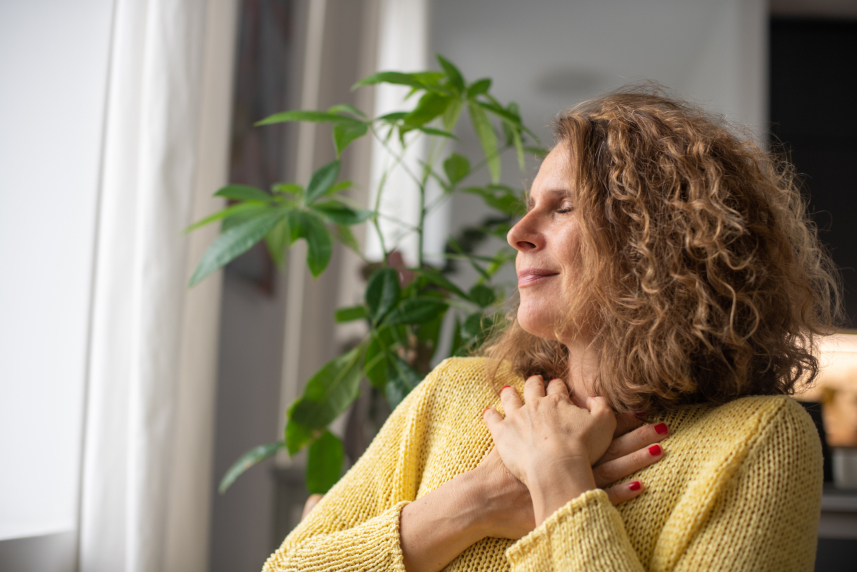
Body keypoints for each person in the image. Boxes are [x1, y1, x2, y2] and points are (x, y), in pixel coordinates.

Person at [262, 88, 841, 572]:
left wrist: (559, 479)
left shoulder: (758, 441)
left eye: (563, 208)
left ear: (655, 243)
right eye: (529, 205)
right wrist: (476, 502)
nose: (517, 232)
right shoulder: (454, 392)